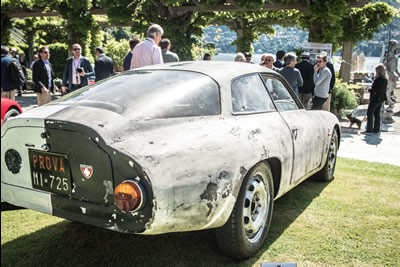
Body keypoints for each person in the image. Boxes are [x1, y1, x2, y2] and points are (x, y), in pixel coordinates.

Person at [364, 64, 388, 134]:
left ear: (379, 70)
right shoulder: (385, 79)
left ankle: (369, 129)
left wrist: (370, 90)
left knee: (370, 112)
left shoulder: (379, 79)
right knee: (376, 113)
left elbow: (377, 89)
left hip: (376, 98)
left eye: (376, 70)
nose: (376, 71)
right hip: (381, 98)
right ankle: (376, 129)